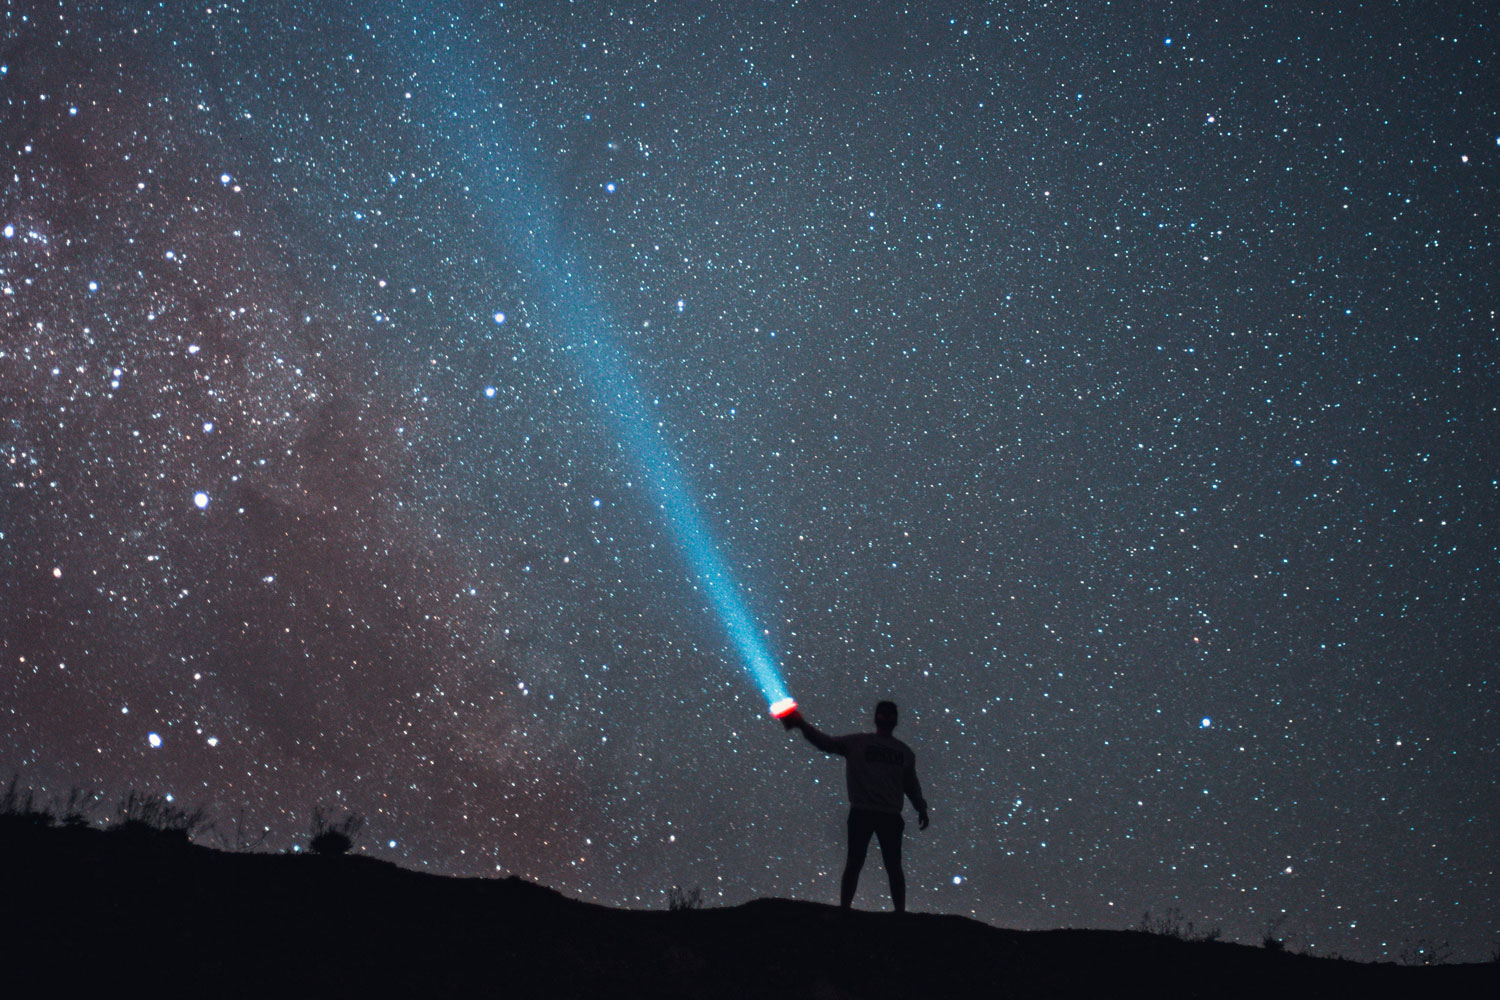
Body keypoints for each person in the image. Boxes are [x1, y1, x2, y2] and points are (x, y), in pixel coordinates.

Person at [782, 700, 929, 912]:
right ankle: (891, 913)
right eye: (886, 714)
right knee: (880, 865)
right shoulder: (896, 751)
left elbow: (825, 743)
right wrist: (921, 807)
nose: (887, 717)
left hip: (873, 813)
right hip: (877, 814)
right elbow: (911, 786)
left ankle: (851, 910)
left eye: (887, 714)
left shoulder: (867, 745)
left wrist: (801, 724)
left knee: (868, 864)